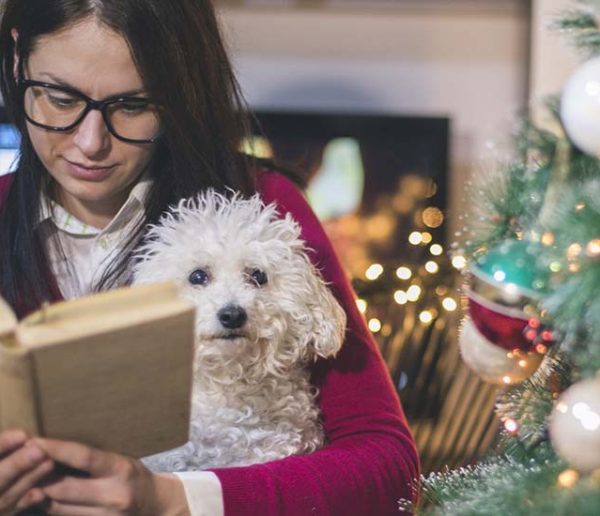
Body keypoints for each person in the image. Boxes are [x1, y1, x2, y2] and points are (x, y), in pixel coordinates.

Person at [0, 1, 419, 514]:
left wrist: (175, 497)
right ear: (18, 57)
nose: (91, 144)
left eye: (132, 106)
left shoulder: (263, 208)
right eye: (60, 98)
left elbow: (388, 463)